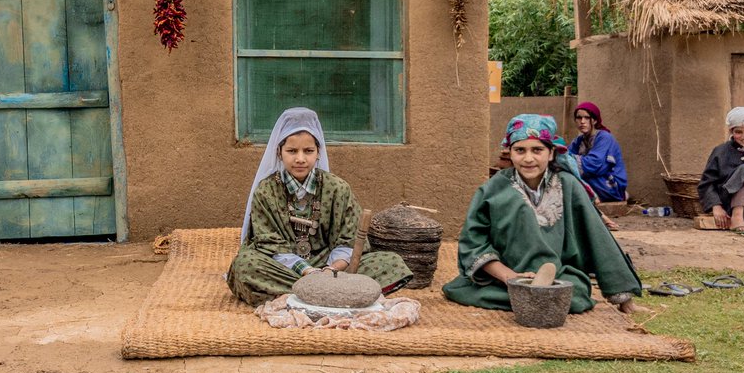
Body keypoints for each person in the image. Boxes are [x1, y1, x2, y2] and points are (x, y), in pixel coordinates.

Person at [443, 114, 642, 314]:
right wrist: (510, 277)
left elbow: (598, 237)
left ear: (551, 153)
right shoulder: (493, 189)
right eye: (520, 150)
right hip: (502, 281)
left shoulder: (568, 186)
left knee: (573, 296)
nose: (528, 158)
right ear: (510, 153)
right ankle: (525, 294)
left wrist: (624, 298)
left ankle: (536, 295)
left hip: (558, 277)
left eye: (537, 150)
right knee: (468, 291)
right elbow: (473, 242)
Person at [227, 107, 412, 306]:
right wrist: (307, 271)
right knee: (245, 265)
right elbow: (267, 242)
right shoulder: (266, 191)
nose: (300, 159)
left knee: (391, 262)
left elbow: (349, 239)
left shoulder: (337, 188)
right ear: (279, 153)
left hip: (331, 266)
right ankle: (337, 293)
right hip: (286, 267)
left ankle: (306, 294)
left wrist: (331, 270)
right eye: (292, 151)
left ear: (318, 152)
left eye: (308, 151)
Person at [698, 106, 744, 235]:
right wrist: (716, 206)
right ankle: (737, 218)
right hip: (728, 204)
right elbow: (707, 183)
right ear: (731, 131)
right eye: (739, 132)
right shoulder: (720, 151)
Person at [568, 101, 629, 231]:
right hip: (593, 180)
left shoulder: (604, 137)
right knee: (566, 175)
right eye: (579, 118)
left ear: (594, 120)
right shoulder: (578, 141)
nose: (582, 122)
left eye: (587, 118)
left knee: (571, 178)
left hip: (609, 185)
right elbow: (567, 159)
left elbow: (593, 165)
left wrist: (568, 161)